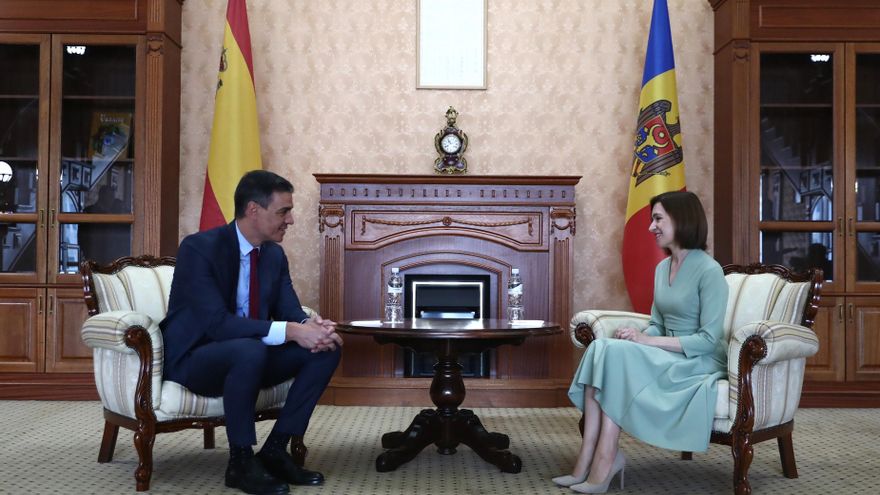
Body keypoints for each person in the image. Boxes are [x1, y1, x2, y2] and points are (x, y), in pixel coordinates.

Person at [160, 170, 343, 495]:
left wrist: (312, 329)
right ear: (253, 210)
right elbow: (217, 324)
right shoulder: (200, 249)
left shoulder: (273, 254)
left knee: (327, 349)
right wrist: (290, 331)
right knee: (249, 348)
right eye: (283, 211)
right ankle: (240, 462)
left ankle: (275, 450)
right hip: (197, 360)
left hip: (251, 359)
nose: (291, 220)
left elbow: (289, 311)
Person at [553, 191, 728, 494]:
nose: (651, 227)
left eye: (658, 218)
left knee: (616, 358)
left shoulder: (710, 271)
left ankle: (604, 460)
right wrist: (634, 336)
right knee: (603, 348)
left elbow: (709, 341)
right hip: (666, 353)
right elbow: (658, 322)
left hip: (696, 361)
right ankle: (586, 460)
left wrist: (646, 340)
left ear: (681, 220)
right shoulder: (662, 268)